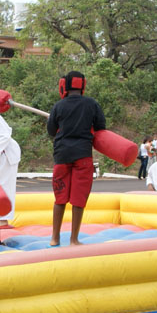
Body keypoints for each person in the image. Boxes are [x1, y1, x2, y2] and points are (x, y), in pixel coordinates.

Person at [46, 70, 106, 246]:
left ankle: (54, 238)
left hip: (62, 155)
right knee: (78, 199)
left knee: (60, 198)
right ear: (83, 85)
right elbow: (101, 127)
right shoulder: (92, 104)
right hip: (83, 155)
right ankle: (74, 239)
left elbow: (51, 130)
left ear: (64, 85)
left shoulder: (58, 106)